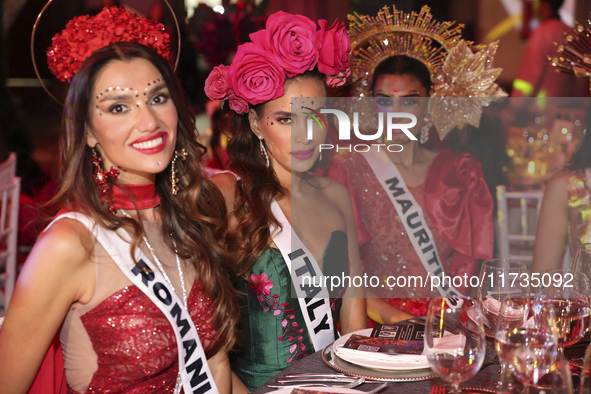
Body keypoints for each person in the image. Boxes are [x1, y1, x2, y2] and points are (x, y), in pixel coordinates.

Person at [0, 7, 238, 393]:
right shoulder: (68, 245)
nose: (149, 121)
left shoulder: (190, 217)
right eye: (119, 106)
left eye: (157, 97)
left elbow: (215, 363)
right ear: (88, 132)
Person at [204, 11, 367, 391]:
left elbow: (355, 328)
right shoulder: (229, 196)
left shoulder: (337, 196)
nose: (305, 136)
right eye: (285, 120)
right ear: (257, 124)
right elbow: (206, 344)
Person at [328, 5, 503, 324]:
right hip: (374, 323)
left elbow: (468, 265)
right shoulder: (349, 171)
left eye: (410, 100)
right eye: (384, 100)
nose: (397, 113)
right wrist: (400, 321)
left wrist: (446, 322)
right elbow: (341, 273)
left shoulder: (460, 171)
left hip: (446, 322)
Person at [511, 0, 586, 98]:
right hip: (565, 107)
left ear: (545, 5)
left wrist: (513, 109)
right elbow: (581, 80)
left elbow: (529, 75)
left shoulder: (542, 33)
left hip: (540, 108)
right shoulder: (573, 35)